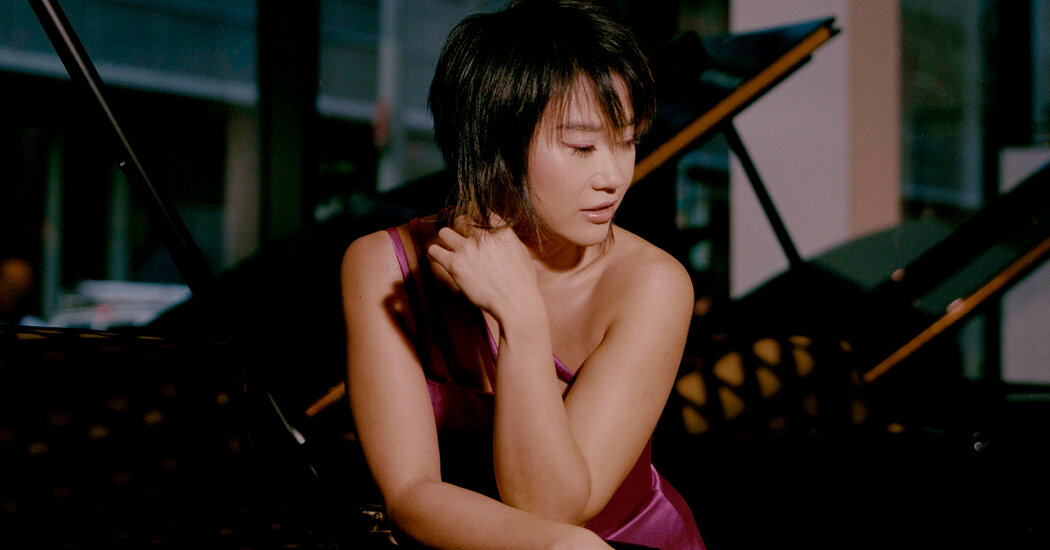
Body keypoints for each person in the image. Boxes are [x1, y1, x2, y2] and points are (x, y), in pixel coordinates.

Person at [341, 1, 704, 548]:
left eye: (626, 141)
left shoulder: (652, 284)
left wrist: (522, 319)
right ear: (496, 143)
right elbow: (409, 493)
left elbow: (555, 507)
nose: (613, 175)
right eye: (582, 146)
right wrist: (558, 545)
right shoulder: (382, 266)